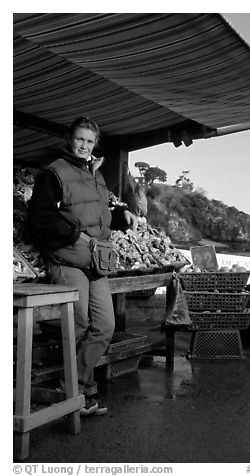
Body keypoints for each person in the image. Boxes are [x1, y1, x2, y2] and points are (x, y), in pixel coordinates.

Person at [27, 117, 137, 416]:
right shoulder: (53, 173)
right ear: (69, 138)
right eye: (80, 139)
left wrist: (120, 218)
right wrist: (76, 236)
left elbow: (96, 215)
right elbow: (40, 219)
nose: (84, 145)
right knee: (76, 325)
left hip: (96, 262)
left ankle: (74, 388)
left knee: (105, 326)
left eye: (89, 141)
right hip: (67, 259)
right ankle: (77, 394)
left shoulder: (95, 175)